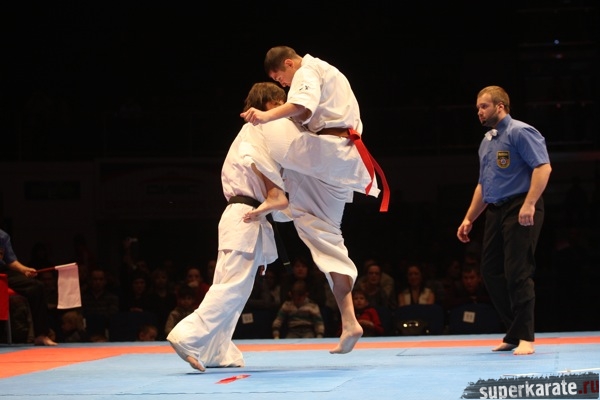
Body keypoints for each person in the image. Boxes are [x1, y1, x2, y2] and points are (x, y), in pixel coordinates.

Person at [167, 82, 377, 372]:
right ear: (266, 105)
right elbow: (260, 167)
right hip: (247, 215)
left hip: (242, 214)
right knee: (232, 287)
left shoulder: (250, 134)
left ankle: (216, 350)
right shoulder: (258, 131)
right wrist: (277, 197)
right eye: (279, 104)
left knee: (233, 286)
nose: (283, 112)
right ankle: (187, 335)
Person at [457, 85, 552, 356]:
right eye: (477, 107)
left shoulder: (520, 132)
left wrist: (530, 203)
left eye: (483, 106)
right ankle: (514, 332)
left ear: (500, 106)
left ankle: (526, 337)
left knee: (518, 271)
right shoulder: (487, 141)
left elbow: (543, 167)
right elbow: (483, 185)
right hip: (496, 210)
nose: (479, 111)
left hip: (521, 205)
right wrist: (469, 218)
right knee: (489, 271)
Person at [240, 45, 389, 215]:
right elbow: (304, 113)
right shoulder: (326, 69)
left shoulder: (306, 71)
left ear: (289, 63)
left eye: (279, 77)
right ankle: (289, 201)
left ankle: (275, 194)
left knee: (258, 128)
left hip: (329, 148)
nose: (281, 83)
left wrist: (266, 116)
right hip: (341, 152)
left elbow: (300, 105)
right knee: (319, 225)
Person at [0, 228, 57, 345]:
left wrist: (24, 269)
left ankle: (41, 335)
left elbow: (11, 261)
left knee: (36, 286)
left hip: (2, 272)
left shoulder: (2, 236)